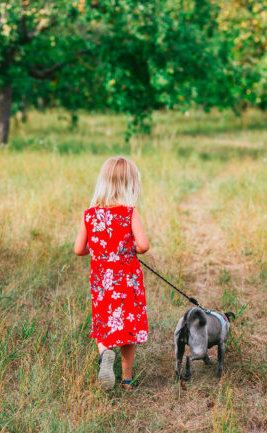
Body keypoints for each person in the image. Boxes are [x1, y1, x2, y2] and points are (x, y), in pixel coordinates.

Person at [74, 156, 149, 390]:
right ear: (130, 185)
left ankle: (105, 351)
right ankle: (127, 380)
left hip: (102, 281)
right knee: (128, 328)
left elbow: (78, 249)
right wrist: (131, 248)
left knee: (103, 322)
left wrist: (98, 250)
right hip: (126, 281)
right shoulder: (129, 213)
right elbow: (143, 245)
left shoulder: (90, 215)